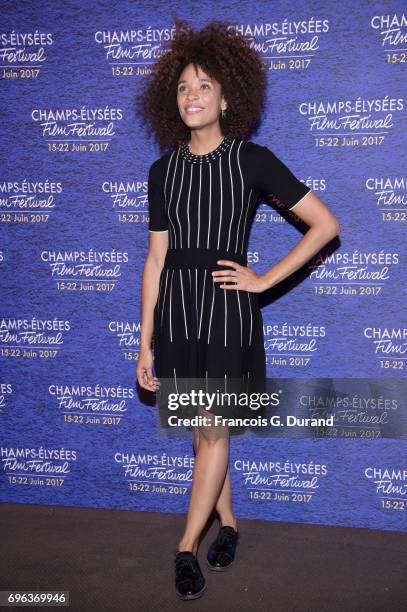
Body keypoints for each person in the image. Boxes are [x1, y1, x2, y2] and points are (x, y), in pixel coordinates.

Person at [136, 19, 340, 601]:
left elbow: (325, 225)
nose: (193, 96)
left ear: (228, 97)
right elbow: (155, 262)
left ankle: (183, 548)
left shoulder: (251, 159)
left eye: (204, 86)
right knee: (207, 432)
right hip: (176, 313)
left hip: (226, 312)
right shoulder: (162, 171)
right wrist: (144, 341)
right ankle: (229, 525)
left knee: (212, 431)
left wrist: (264, 281)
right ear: (171, 101)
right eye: (183, 88)